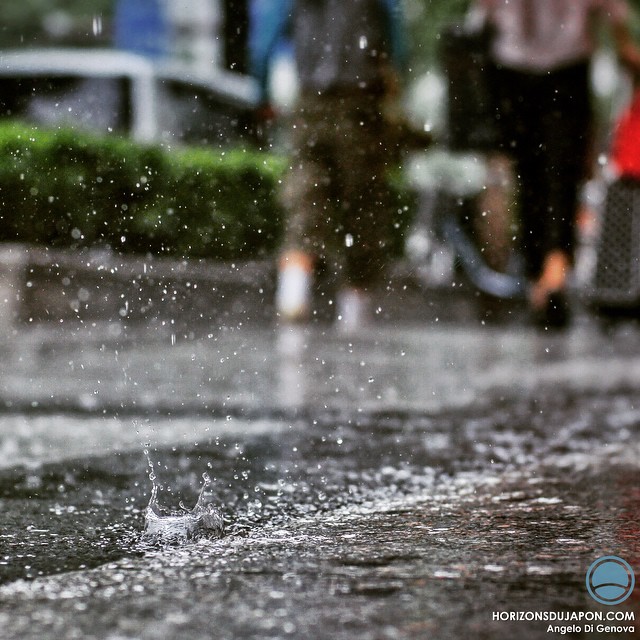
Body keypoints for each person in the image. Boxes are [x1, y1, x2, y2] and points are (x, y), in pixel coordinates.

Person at [473, 0, 640, 328]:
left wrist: (622, 43)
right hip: (527, 64)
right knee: (541, 174)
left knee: (552, 173)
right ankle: (546, 271)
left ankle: (551, 270)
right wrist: (622, 43)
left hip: (552, 64)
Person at [249, 0, 408, 330]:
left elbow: (265, 41)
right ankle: (354, 308)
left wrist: (261, 92)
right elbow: (395, 35)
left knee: (305, 194)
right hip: (361, 103)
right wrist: (396, 78)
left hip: (311, 103)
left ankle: (294, 290)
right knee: (363, 204)